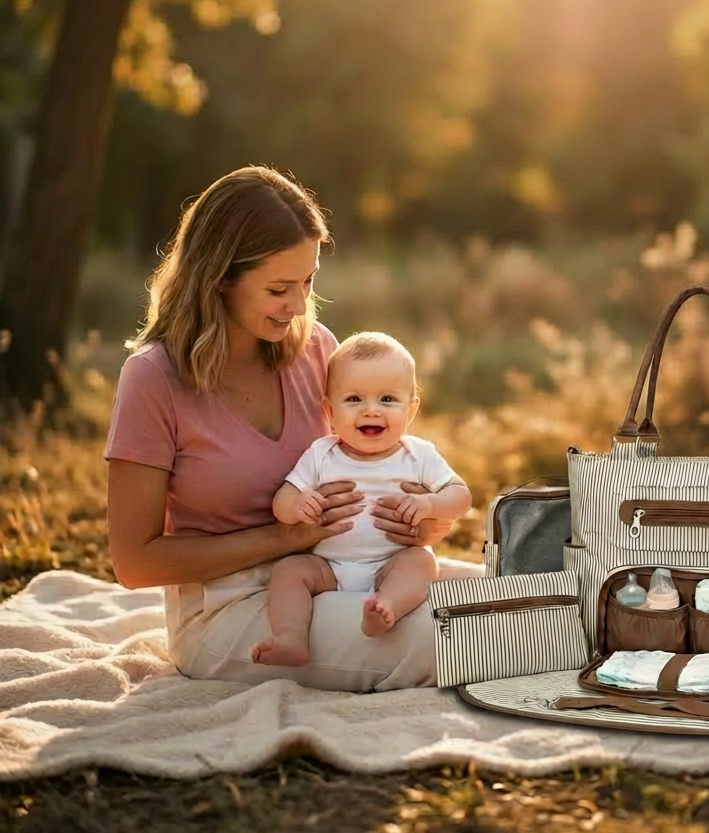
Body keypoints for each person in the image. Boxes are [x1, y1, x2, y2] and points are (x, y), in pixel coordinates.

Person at [104, 165, 483, 692]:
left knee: (512, 599)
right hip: (230, 608)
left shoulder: (316, 348)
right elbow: (135, 563)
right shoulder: (153, 377)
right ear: (220, 281)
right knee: (453, 640)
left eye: (308, 281)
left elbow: (368, 465)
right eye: (279, 288)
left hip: (346, 571)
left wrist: (421, 523)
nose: (300, 305)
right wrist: (286, 537)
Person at [250, 331, 472, 666]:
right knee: (289, 571)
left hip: (390, 563)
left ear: (411, 410)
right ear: (329, 410)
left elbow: (461, 496)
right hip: (329, 567)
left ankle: (386, 609)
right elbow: (284, 499)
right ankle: (290, 637)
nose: (370, 411)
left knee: (423, 563)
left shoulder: (418, 455)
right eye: (354, 399)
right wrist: (297, 506)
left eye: (387, 400)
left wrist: (429, 505)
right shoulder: (321, 453)